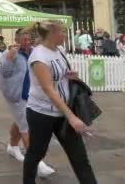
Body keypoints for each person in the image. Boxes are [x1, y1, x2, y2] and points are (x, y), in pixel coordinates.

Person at [22, 20, 97, 184]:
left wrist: (71, 76)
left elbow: (59, 78)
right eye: (62, 32)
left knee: (80, 157)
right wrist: (71, 117)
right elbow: (48, 90)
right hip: (41, 113)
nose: (65, 35)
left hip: (63, 110)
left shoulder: (60, 50)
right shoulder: (39, 57)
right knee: (37, 152)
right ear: (51, 34)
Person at [0, 30, 55, 177]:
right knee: (26, 126)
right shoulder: (9, 53)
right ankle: (39, 164)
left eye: (29, 39)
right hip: (16, 95)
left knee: (19, 121)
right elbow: (4, 72)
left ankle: (13, 146)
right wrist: (10, 57)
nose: (27, 42)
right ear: (17, 39)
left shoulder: (35, 52)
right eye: (24, 39)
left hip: (33, 94)